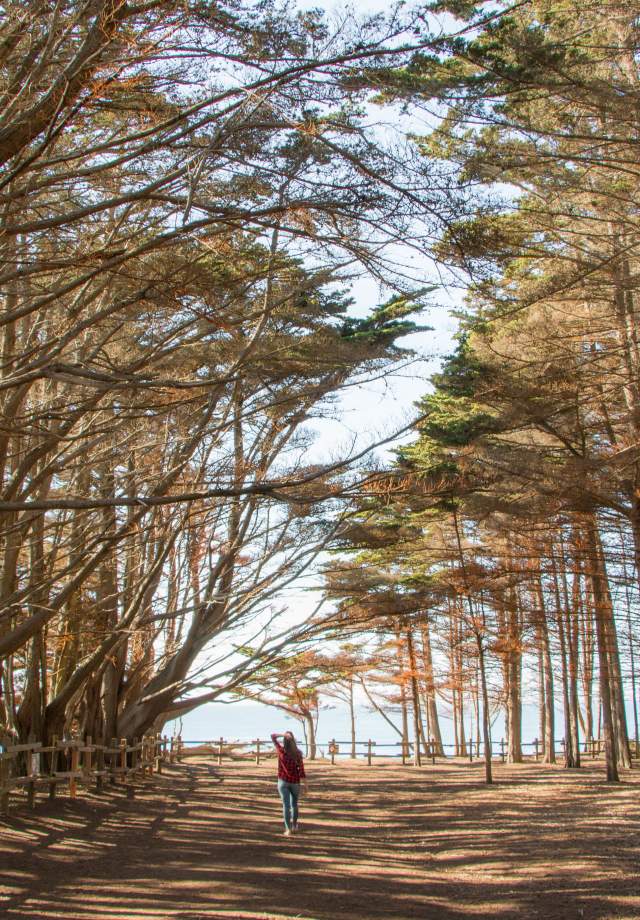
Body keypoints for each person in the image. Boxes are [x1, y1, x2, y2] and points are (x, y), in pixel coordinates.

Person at [271, 731, 308, 836]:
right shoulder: (298, 753)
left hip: (283, 781)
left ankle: (288, 829)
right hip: (295, 782)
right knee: (294, 804)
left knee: (286, 806)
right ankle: (295, 826)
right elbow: (301, 770)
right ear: (293, 740)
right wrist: (305, 784)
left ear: (284, 741)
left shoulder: (281, 751)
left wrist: (283, 735)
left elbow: (273, 736)